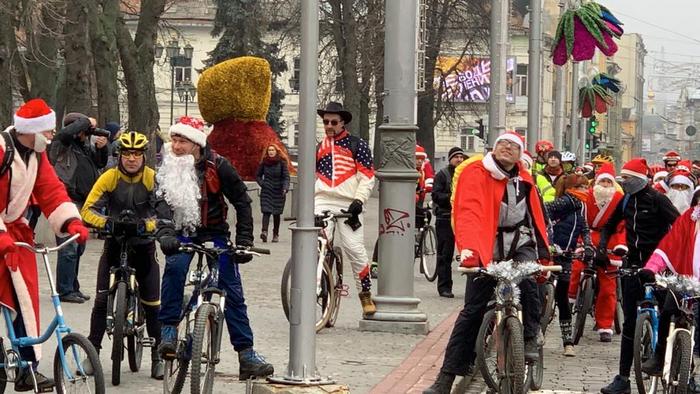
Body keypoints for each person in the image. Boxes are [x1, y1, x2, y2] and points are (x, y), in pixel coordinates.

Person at [424, 131, 551, 394]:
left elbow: (537, 220)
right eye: (503, 143)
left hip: (519, 244)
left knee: (528, 279)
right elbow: (468, 212)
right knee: (472, 312)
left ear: (519, 154)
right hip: (484, 246)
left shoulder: (525, 180)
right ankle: (446, 378)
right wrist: (469, 251)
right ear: (493, 149)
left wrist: (545, 254)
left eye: (514, 146)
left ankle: (530, 336)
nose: (507, 148)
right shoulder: (477, 174)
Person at [156, 116, 274, 380]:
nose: (175, 146)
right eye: (173, 139)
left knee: (232, 290)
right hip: (182, 233)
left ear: (196, 144)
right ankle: (168, 331)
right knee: (174, 269)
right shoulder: (167, 166)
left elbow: (242, 202)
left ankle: (247, 355)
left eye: (182, 141)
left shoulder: (219, 165)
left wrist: (244, 241)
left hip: (215, 233)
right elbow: (160, 204)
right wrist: (165, 234)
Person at [0, 98, 89, 391]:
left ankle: (28, 367)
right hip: (2, 232)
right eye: (48, 131)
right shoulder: (2, 150)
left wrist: (70, 222)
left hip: (15, 235)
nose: (51, 136)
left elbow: (50, 190)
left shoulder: (37, 155)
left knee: (26, 297)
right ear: (32, 130)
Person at [79, 131, 164, 379]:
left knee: (152, 303)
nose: (131, 159)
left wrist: (147, 226)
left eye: (136, 154)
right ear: (120, 155)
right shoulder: (109, 177)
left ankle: (157, 354)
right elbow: (87, 209)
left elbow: (164, 213)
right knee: (101, 300)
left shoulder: (152, 179)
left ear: (143, 157)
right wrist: (106, 223)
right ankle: (92, 352)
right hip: (115, 244)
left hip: (144, 246)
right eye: (127, 154)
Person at [599, 158, 680, 394]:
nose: (623, 184)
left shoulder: (657, 200)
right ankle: (622, 379)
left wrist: (669, 256)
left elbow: (679, 226)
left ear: (639, 180)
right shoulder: (626, 200)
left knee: (669, 314)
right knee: (630, 324)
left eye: (627, 180)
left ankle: (671, 364)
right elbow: (608, 226)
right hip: (632, 264)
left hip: (658, 265)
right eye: (621, 180)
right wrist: (603, 248)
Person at [315, 102, 377, 317]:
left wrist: (359, 201)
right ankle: (317, 282)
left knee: (354, 249)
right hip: (321, 201)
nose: (329, 125)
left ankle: (365, 294)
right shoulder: (318, 147)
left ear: (343, 123)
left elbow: (368, 176)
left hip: (349, 203)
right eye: (325, 122)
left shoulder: (357, 145)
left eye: (333, 122)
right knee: (316, 244)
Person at [637, 187, 700, 376]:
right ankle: (659, 355)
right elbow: (668, 246)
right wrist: (651, 268)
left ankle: (695, 364)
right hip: (686, 281)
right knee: (668, 312)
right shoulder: (688, 220)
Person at [49, 112, 108, 303]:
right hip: (67, 200)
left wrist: (102, 149)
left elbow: (100, 163)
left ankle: (73, 286)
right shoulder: (62, 144)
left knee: (79, 247)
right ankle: (64, 290)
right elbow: (66, 133)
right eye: (85, 130)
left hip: (83, 201)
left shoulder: (84, 147)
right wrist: (86, 121)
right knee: (69, 247)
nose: (87, 133)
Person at [568, 163, 626, 343]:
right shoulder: (587, 197)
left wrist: (621, 245)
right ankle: (571, 297)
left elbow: (622, 226)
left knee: (608, 288)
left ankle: (605, 325)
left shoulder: (619, 199)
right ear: (597, 182)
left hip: (611, 239)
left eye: (609, 182)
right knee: (577, 266)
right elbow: (580, 220)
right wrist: (579, 240)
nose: (606, 185)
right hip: (588, 235)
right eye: (603, 181)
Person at [544, 172, 595, 357]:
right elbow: (542, 213)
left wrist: (588, 245)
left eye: (586, 187)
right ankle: (535, 332)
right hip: (550, 254)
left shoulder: (581, 206)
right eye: (581, 187)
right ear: (570, 189)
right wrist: (548, 242)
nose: (585, 190)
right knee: (541, 292)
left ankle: (568, 341)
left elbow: (585, 228)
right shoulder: (565, 201)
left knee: (563, 298)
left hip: (566, 255)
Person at [430, 147, 465, 298]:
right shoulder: (442, 175)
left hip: (463, 219)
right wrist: (453, 197)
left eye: (461, 157)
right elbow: (436, 196)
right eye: (456, 157)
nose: (459, 159)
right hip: (445, 218)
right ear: (450, 159)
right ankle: (444, 287)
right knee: (445, 254)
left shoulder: (466, 174)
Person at [256, 144, 290, 243]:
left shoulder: (282, 163)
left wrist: (285, 188)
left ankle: (275, 234)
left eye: (272, 150)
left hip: (278, 191)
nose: (271, 152)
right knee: (266, 211)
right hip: (267, 190)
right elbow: (258, 176)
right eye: (269, 150)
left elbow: (286, 177)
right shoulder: (264, 163)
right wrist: (263, 184)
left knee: (276, 213)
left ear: (276, 151)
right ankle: (264, 232)